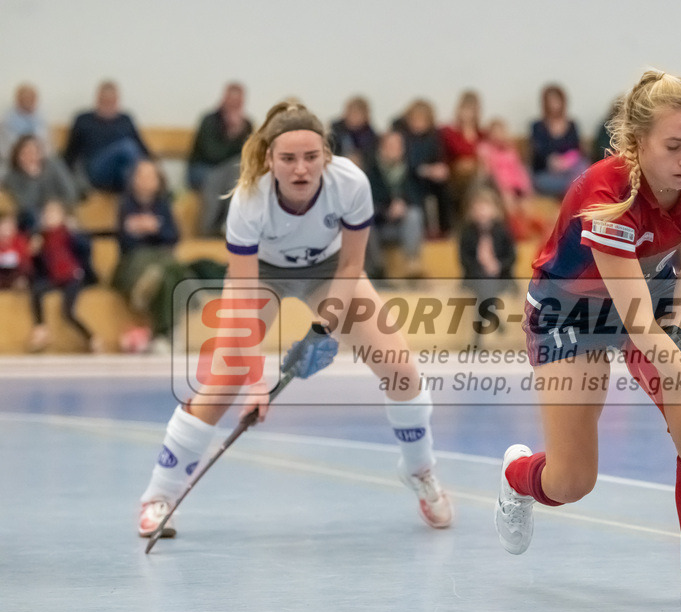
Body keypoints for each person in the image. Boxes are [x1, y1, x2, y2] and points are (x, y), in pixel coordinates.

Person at [494, 70, 681, 610]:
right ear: (637, 145)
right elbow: (638, 328)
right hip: (571, 312)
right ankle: (519, 477)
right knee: (571, 481)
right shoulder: (607, 194)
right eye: (674, 146)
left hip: (649, 298)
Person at [136, 100, 453, 538]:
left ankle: (419, 470)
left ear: (326, 154)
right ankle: (159, 494)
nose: (301, 169)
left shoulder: (351, 183)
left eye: (310, 157)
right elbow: (244, 294)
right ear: (270, 159)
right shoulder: (249, 200)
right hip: (262, 277)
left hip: (331, 270)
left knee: (399, 368)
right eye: (288, 159)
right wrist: (254, 383)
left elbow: (351, 267)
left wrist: (323, 330)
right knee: (224, 381)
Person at [113, 159, 181, 347]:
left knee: (168, 274)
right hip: (135, 259)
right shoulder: (125, 205)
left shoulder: (163, 205)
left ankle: (162, 329)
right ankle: (167, 332)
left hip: (160, 256)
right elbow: (125, 241)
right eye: (141, 175)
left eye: (150, 176)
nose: (145, 180)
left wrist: (152, 229)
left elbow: (173, 236)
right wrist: (145, 229)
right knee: (168, 273)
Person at [26, 201, 100, 353]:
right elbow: (39, 267)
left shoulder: (69, 234)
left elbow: (85, 249)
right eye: (47, 214)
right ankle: (41, 329)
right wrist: (35, 253)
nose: (50, 218)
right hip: (54, 278)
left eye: (54, 214)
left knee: (67, 312)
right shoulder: (41, 238)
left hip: (72, 276)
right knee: (36, 291)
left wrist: (74, 232)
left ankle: (91, 337)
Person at [187, 83, 254, 236]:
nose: (234, 106)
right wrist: (232, 135)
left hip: (230, 174)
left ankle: (227, 226)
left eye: (238, 103)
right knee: (219, 177)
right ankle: (210, 228)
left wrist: (239, 132)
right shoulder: (209, 121)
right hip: (203, 169)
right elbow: (212, 154)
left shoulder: (246, 125)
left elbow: (246, 156)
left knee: (237, 174)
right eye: (231, 102)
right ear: (223, 100)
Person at [63, 81, 149, 192]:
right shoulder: (83, 120)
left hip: (120, 175)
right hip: (95, 170)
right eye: (105, 100)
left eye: (112, 101)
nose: (108, 104)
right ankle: (141, 187)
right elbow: (71, 153)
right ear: (97, 99)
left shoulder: (125, 120)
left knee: (127, 170)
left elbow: (142, 149)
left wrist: (153, 167)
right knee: (127, 146)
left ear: (117, 100)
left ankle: (139, 198)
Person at [458, 186, 516, 344]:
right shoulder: (467, 232)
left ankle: (477, 338)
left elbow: (511, 257)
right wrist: (480, 270)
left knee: (485, 290)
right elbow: (464, 259)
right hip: (475, 276)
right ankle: (494, 318)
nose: (481, 211)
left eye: (485, 207)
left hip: (501, 276)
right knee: (483, 285)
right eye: (477, 207)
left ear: (494, 209)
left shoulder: (502, 231)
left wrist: (498, 266)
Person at [364, 130, 426, 278]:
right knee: (364, 219)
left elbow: (418, 198)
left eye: (398, 146)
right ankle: (377, 268)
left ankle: (412, 264)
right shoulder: (370, 170)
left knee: (414, 214)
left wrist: (402, 205)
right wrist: (387, 210)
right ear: (382, 147)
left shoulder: (410, 169)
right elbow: (365, 201)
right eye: (390, 146)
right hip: (378, 225)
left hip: (401, 224)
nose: (395, 150)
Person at [394, 99, 452, 235]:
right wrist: (424, 170)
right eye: (415, 119)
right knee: (413, 187)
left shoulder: (433, 137)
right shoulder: (401, 135)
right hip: (408, 176)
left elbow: (439, 157)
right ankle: (422, 228)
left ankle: (445, 229)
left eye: (422, 120)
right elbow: (403, 162)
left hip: (428, 178)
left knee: (443, 187)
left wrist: (440, 169)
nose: (418, 124)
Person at [477, 118, 536, 240]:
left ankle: (526, 230)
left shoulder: (511, 149)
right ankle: (514, 231)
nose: (498, 136)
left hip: (516, 184)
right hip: (500, 186)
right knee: (508, 200)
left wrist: (526, 188)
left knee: (526, 204)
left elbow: (520, 169)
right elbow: (489, 171)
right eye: (495, 132)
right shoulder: (486, 149)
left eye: (501, 132)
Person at [2, 135, 78, 230]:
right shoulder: (12, 177)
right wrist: (33, 178)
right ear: (18, 155)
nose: (30, 156)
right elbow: (25, 205)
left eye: (34, 152)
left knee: (71, 226)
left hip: (59, 211)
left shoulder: (54, 165)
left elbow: (70, 193)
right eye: (25, 153)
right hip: (32, 219)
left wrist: (57, 208)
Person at [529, 84, 589, 197]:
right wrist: (552, 161)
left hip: (571, 170)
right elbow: (538, 153)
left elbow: (577, 150)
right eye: (550, 101)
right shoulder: (537, 126)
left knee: (582, 168)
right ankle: (573, 194)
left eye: (556, 100)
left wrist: (566, 162)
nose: (554, 105)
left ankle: (573, 193)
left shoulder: (572, 125)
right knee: (577, 183)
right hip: (547, 174)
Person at [0, 83, 51, 165]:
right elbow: (8, 150)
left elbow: (46, 144)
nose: (28, 102)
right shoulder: (7, 119)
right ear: (18, 100)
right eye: (25, 99)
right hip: (13, 161)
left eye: (32, 99)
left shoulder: (40, 117)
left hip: (39, 159)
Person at [329, 96, 378, 169]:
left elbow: (372, 159)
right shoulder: (335, 131)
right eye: (352, 113)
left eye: (358, 114)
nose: (354, 117)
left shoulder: (371, 136)